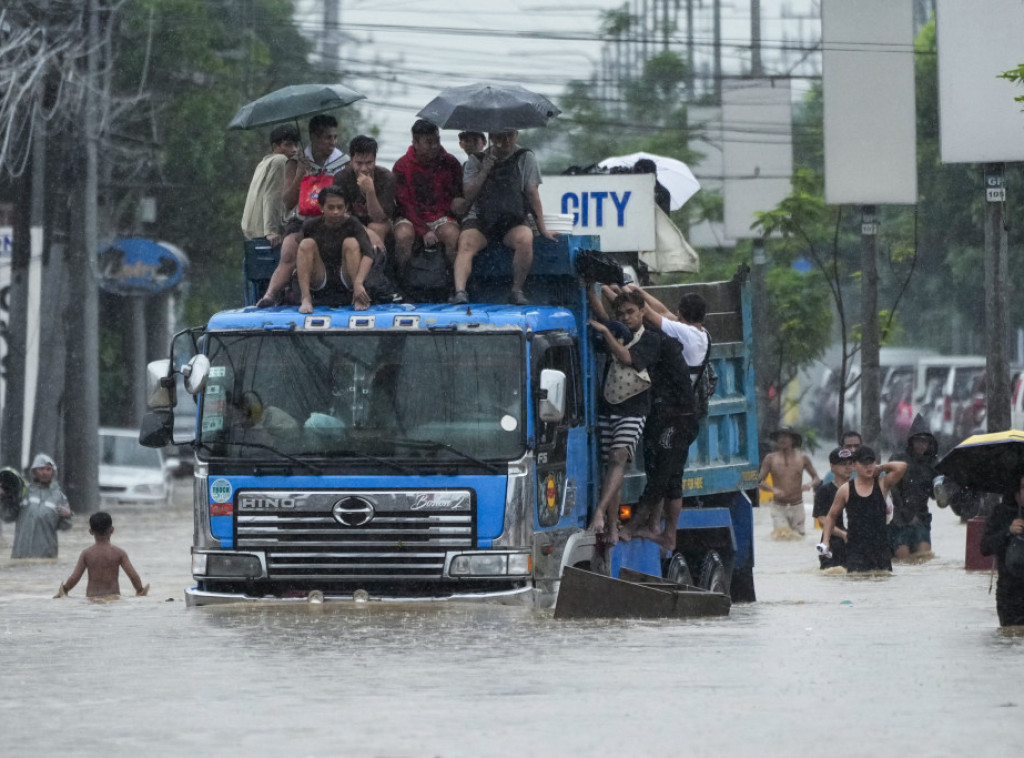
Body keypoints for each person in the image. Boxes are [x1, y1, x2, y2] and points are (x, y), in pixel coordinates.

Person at [620, 287, 709, 551]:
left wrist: (625, 295)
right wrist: (639, 291)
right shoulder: (699, 333)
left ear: (681, 315)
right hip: (681, 414)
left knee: (661, 475)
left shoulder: (683, 334)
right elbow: (662, 311)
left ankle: (636, 525)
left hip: (677, 416)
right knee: (672, 479)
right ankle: (662, 531)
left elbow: (648, 314)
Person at [586, 289, 661, 545]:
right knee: (611, 465)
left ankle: (599, 512)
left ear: (642, 311)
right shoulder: (618, 330)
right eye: (622, 314)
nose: (626, 318)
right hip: (609, 405)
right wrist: (589, 289)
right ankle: (612, 526)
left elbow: (628, 357)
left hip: (635, 408)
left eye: (631, 312)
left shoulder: (651, 340)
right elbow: (602, 314)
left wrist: (606, 332)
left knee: (620, 457)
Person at [450, 129, 557, 306]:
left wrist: (542, 228)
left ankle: (516, 290)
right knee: (466, 242)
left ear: (516, 136)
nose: (505, 140)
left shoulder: (525, 156)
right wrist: (484, 170)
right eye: (500, 136)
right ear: (491, 138)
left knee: (525, 238)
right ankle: (460, 291)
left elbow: (532, 193)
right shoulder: (475, 160)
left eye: (510, 136)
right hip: (481, 219)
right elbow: (468, 194)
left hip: (512, 219)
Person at [257, 114, 349, 307]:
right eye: (327, 138)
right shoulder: (295, 162)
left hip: (332, 220)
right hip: (302, 219)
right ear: (314, 138)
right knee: (289, 250)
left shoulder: (342, 163)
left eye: (335, 138)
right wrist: (300, 175)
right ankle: (270, 294)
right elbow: (288, 203)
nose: (332, 143)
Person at [295, 185, 397, 314]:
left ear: (346, 207)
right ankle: (306, 298)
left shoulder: (353, 224)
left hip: (347, 276)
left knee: (351, 243)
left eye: (340, 207)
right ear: (321, 208)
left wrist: (359, 283)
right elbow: (300, 256)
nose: (336, 212)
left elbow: (368, 255)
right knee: (306, 244)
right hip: (321, 276)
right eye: (331, 208)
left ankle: (357, 296)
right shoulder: (311, 225)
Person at [392, 119, 464, 275]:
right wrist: (423, 229)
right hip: (410, 217)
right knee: (403, 235)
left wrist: (457, 205)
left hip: (441, 216)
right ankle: (401, 281)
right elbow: (405, 204)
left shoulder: (450, 162)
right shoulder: (401, 166)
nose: (434, 146)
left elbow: (458, 194)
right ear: (415, 143)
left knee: (453, 235)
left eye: (437, 141)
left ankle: (455, 283)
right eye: (429, 142)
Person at [820, 446, 907, 573]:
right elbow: (831, 516)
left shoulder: (882, 484)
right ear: (854, 466)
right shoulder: (846, 490)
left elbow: (902, 466)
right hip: (856, 550)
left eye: (871, 462)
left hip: (880, 549)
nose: (869, 467)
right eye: (864, 463)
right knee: (857, 583)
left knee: (883, 583)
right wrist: (826, 541)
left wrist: (881, 467)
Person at [54, 512, 149, 599]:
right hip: (113, 598)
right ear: (112, 530)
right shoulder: (119, 553)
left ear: (91, 532)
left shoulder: (87, 553)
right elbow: (133, 575)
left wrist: (64, 590)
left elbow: (75, 577)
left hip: (92, 599)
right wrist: (140, 590)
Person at [240, 123, 301, 247]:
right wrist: (271, 231)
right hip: (265, 234)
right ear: (275, 146)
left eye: (296, 145)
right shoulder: (280, 160)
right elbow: (272, 195)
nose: (294, 149)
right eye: (288, 145)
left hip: (251, 231)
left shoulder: (264, 162)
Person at [333, 134, 396, 252]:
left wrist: (370, 191)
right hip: (352, 221)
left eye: (369, 163)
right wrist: (364, 231)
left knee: (375, 227)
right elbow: (341, 214)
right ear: (351, 161)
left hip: (382, 222)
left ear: (375, 160)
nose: (364, 168)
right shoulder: (342, 178)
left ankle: (376, 267)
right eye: (359, 163)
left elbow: (379, 218)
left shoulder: (386, 178)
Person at [888, 414, 938, 562]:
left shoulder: (932, 464)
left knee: (924, 556)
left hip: (921, 517)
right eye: (919, 441)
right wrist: (907, 515)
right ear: (912, 441)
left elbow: (936, 495)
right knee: (903, 557)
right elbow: (892, 490)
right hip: (899, 519)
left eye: (926, 442)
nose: (922, 445)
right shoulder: (898, 460)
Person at [758, 427, 821, 538]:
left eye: (786, 436)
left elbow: (816, 478)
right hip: (778, 507)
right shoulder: (770, 458)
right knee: (782, 536)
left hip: (797, 506)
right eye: (780, 437)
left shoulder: (802, 458)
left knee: (799, 538)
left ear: (793, 440)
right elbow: (759, 481)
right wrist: (773, 490)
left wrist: (809, 485)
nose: (782, 439)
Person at [979, 473, 1024, 626]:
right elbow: (984, 547)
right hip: (1009, 594)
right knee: (1010, 640)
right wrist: (1008, 532)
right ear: (1016, 491)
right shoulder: (1001, 512)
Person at [10, 453, 72, 559]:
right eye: (41, 469)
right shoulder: (24, 491)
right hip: (21, 553)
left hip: (46, 555)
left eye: (48, 469)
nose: (45, 472)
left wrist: (67, 517)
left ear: (53, 472)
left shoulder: (59, 497)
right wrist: (4, 498)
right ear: (34, 471)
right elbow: (8, 516)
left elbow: (65, 526)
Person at [813, 447, 853, 570]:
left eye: (850, 463)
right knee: (831, 575)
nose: (847, 467)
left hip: (854, 543)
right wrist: (843, 534)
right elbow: (822, 520)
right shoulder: (824, 491)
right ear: (832, 466)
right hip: (832, 544)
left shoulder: (858, 489)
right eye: (842, 464)